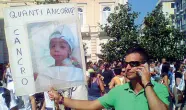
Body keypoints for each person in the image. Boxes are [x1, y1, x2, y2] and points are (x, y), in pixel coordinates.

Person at [48, 46, 169, 110]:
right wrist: (61, 99)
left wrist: (147, 84)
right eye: (125, 63)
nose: (127, 67)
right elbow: (91, 105)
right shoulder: (119, 91)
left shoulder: (158, 89)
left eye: (133, 64)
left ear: (145, 66)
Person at [35, 25, 84, 92]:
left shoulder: (75, 72)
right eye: (53, 46)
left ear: (70, 50)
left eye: (62, 46)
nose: (56, 49)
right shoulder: (46, 72)